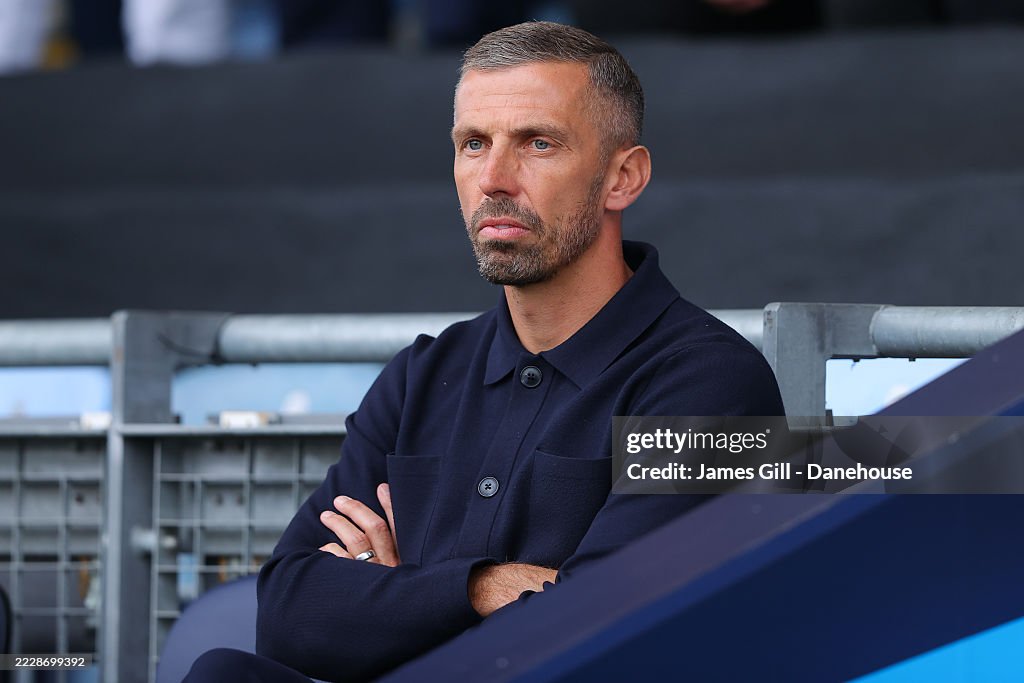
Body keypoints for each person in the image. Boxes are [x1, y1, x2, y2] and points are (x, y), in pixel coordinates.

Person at [185, 20, 783, 682]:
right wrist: (481, 588)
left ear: (623, 178)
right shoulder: (421, 375)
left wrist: (400, 592)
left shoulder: (715, 381)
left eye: (538, 143)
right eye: (473, 143)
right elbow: (291, 615)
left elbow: (603, 631)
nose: (494, 178)